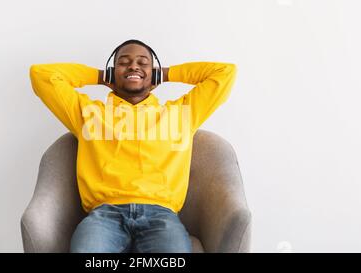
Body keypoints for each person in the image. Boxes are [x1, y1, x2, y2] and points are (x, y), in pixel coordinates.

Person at [29, 39, 237, 253]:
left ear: (153, 71)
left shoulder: (181, 113)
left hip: (161, 216)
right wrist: (101, 76)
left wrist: (165, 74)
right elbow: (41, 75)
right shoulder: (88, 113)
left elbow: (225, 72)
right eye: (124, 62)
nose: (133, 66)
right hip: (104, 216)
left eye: (143, 62)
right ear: (113, 71)